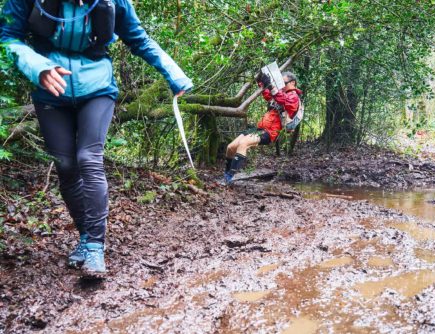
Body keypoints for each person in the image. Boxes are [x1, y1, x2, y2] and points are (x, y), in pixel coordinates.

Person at [0, 0, 193, 278]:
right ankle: (85, 237)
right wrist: (38, 67)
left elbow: (138, 39)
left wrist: (174, 74)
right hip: (50, 90)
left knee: (88, 158)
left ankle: (94, 246)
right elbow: (7, 38)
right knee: (65, 166)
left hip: (97, 87)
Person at [223, 71, 302, 184]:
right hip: (261, 128)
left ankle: (229, 177)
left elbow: (283, 100)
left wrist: (271, 86)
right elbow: (268, 95)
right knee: (230, 147)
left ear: (292, 82)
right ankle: (226, 173)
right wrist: (261, 82)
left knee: (243, 143)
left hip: (270, 132)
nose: (282, 85)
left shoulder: (293, 96)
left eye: (284, 82)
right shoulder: (279, 93)